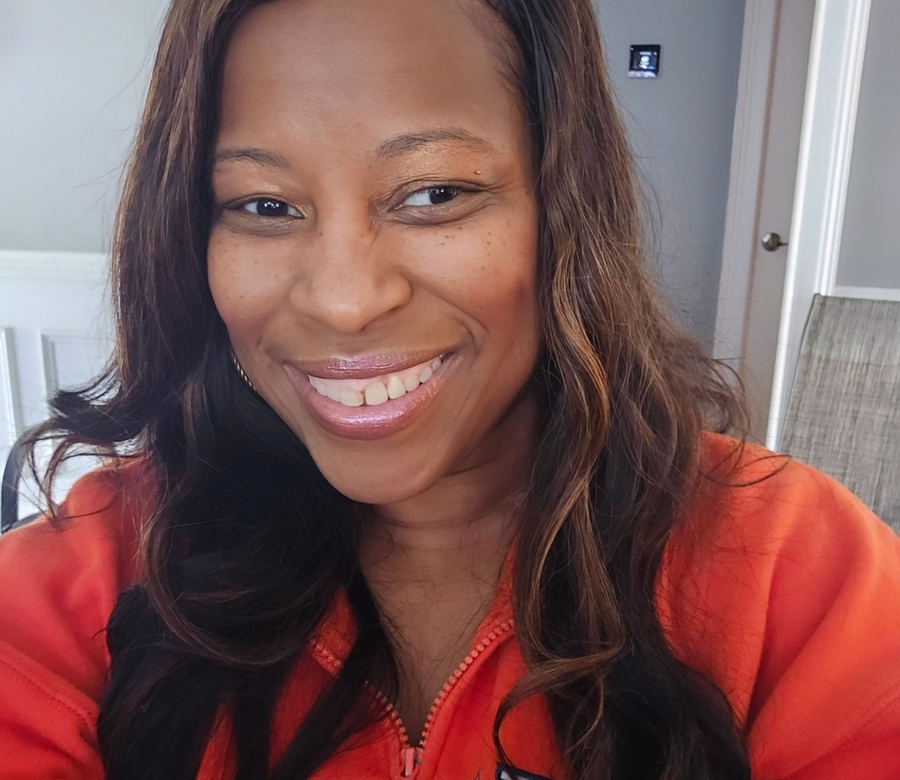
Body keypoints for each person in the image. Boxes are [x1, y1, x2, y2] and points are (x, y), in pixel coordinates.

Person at [1, 0, 900, 778]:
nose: (346, 301)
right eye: (265, 206)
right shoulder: (82, 585)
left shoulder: (802, 584)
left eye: (434, 193)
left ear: (562, 205)